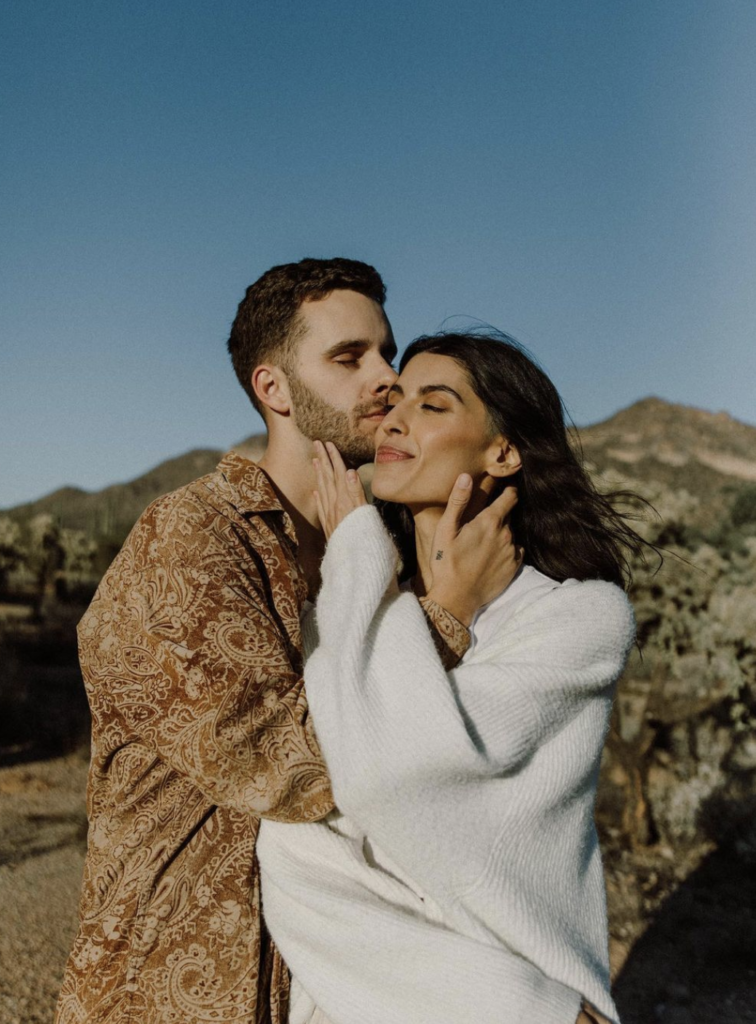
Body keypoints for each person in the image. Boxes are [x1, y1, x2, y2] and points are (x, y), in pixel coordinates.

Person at [56, 257, 466, 1024]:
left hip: (331, 981)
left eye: (388, 352)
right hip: (177, 985)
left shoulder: (380, 547)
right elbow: (288, 771)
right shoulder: (193, 537)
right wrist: (448, 618)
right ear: (272, 389)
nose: (387, 377)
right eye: (350, 358)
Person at [257, 331, 643, 1024]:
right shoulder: (353, 610)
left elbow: (391, 781)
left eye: (433, 405)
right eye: (396, 400)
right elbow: (292, 841)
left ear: (504, 450)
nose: (395, 420)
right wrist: (404, 592)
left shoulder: (579, 618)